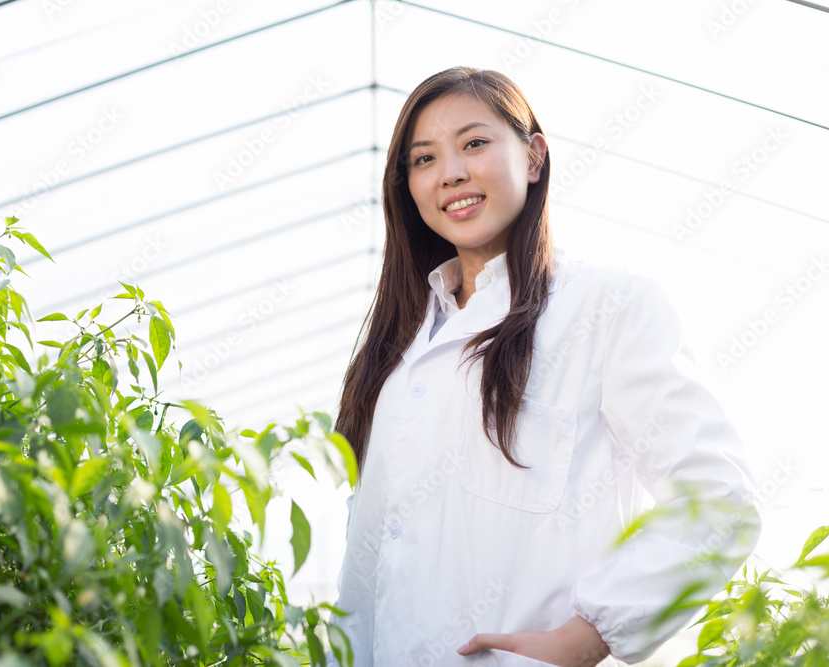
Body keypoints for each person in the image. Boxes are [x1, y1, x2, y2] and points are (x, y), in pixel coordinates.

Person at [324, 66, 762, 667]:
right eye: (423, 160)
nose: (450, 172)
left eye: (474, 144)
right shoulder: (397, 359)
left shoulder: (607, 307)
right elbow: (367, 570)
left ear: (533, 157)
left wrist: (589, 635)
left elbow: (719, 500)